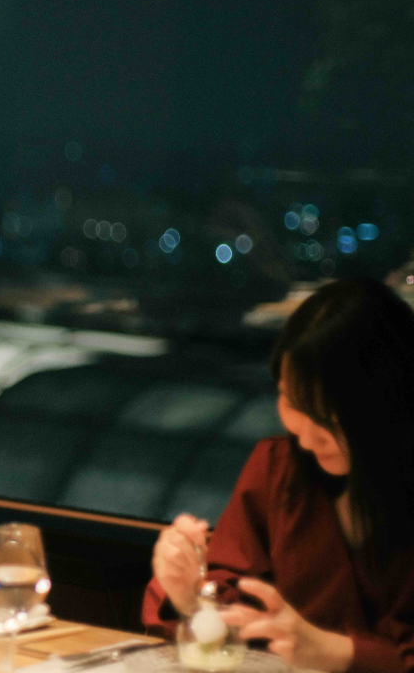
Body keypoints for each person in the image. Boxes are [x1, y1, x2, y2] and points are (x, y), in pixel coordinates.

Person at [144, 279, 414, 673]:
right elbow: (237, 606)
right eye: (290, 399)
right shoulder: (280, 466)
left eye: (324, 414)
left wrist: (336, 652)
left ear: (383, 407)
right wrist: (190, 595)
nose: (303, 432)